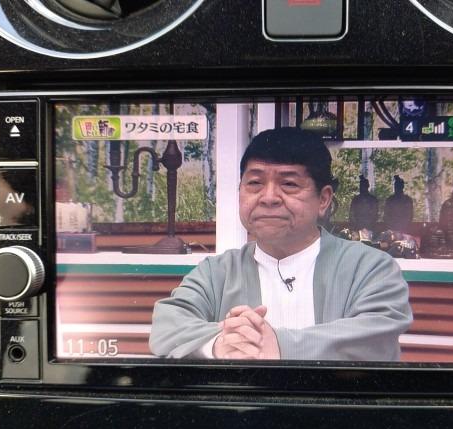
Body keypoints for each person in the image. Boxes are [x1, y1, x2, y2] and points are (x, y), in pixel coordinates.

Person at [150, 127, 412, 361]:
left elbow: (375, 335)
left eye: (289, 184)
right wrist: (221, 343)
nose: (269, 198)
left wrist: (279, 345)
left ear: (323, 200)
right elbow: (167, 326)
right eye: (255, 183)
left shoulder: (370, 268)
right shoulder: (217, 272)